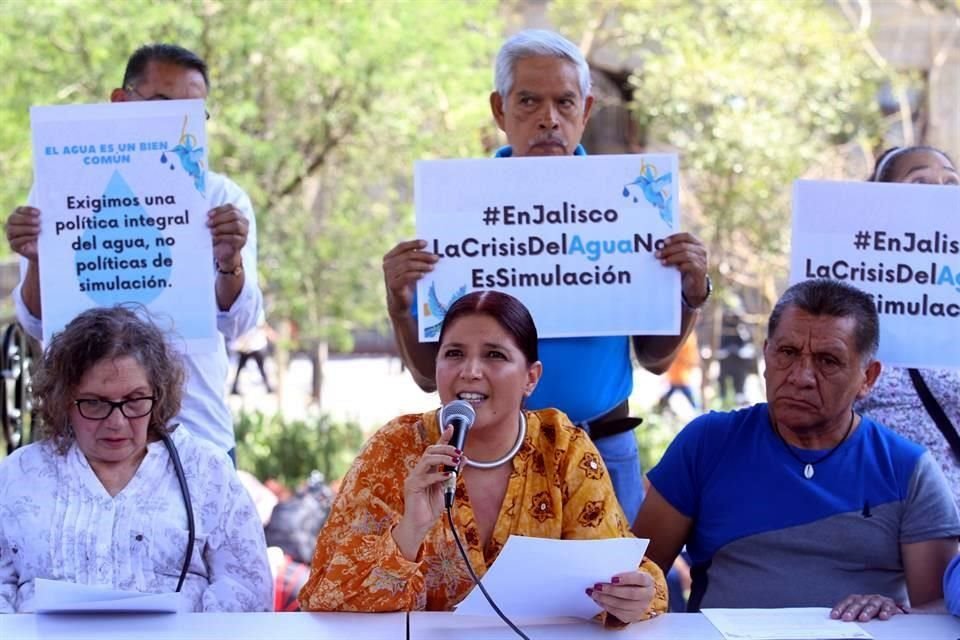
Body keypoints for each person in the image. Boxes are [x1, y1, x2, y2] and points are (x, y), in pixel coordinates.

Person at [382, 29, 710, 524]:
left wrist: (689, 294)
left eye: (564, 102)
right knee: (485, 601)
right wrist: (398, 301)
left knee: (613, 597)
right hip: (487, 458)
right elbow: (431, 376)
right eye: (529, 102)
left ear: (587, 110)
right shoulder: (458, 212)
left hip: (602, 448)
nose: (548, 119)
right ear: (499, 109)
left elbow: (656, 359)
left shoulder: (627, 208)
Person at [299, 291, 668, 624]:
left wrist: (629, 599)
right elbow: (327, 598)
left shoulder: (563, 448)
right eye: (454, 354)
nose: (470, 372)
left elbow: (620, 575)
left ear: (531, 378)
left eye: (495, 355)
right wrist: (410, 530)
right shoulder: (396, 449)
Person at [633, 279, 960, 619]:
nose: (802, 376)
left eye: (827, 361)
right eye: (787, 353)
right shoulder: (707, 443)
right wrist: (635, 594)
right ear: (765, 356)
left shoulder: (907, 470)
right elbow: (637, 575)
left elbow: (939, 612)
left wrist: (896, 612)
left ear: (868, 378)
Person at [5, 43, 263, 461]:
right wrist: (37, 259)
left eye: (192, 113)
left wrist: (230, 260)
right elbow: (37, 323)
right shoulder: (61, 187)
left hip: (195, 433)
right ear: (120, 101)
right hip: (91, 438)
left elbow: (241, 323)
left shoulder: (220, 197)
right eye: (162, 104)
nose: (175, 122)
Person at [0, 306, 272, 613]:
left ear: (159, 394)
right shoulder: (19, 474)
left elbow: (246, 588)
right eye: (94, 403)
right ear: (62, 399)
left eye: (134, 400)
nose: (117, 422)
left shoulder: (207, 472)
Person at [856, 145, 960, 509]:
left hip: (951, 518)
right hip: (868, 508)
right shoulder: (844, 294)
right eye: (920, 181)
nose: (939, 190)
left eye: (951, 182)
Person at [231, 311, 276, 395]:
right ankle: (234, 387)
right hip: (247, 346)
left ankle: (268, 386)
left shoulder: (257, 310)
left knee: (261, 367)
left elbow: (261, 325)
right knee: (241, 367)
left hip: (255, 345)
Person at [657, 333, 700, 411]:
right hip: (678, 375)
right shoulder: (683, 336)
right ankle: (698, 410)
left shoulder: (689, 336)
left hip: (681, 375)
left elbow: (691, 354)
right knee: (687, 393)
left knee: (683, 392)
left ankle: (698, 410)